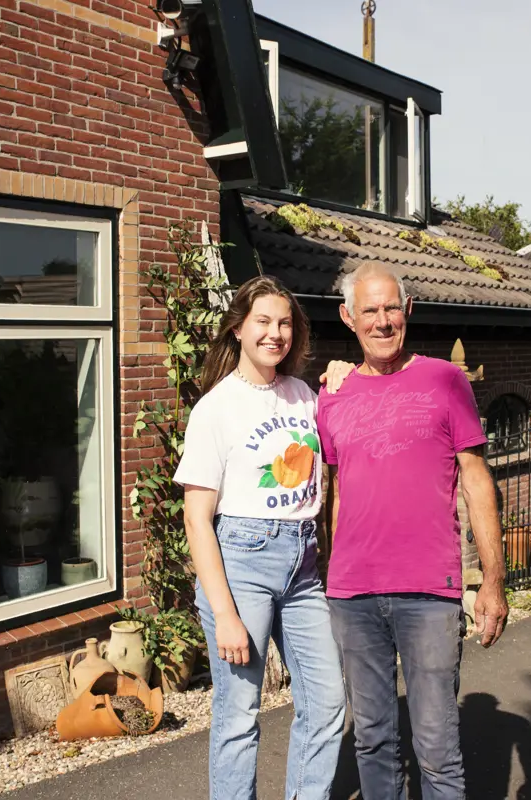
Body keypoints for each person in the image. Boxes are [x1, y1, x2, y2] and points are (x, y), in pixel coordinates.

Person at [317, 261, 509, 800]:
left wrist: (492, 579)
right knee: (373, 742)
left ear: (408, 312)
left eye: (391, 308)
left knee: (437, 746)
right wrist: (329, 572)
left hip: (429, 592)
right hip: (353, 594)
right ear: (348, 317)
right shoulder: (331, 395)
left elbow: (475, 480)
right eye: (369, 310)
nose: (381, 321)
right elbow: (333, 493)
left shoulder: (445, 380)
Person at [175, 275, 346, 800]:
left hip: (302, 567)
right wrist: (224, 613)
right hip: (241, 565)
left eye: (285, 323)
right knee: (238, 715)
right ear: (239, 330)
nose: (276, 334)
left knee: (327, 702)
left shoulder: (302, 396)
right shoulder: (216, 408)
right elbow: (196, 519)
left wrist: (343, 374)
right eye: (264, 322)